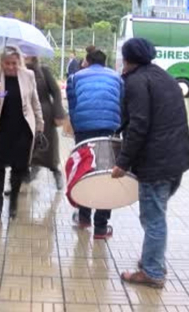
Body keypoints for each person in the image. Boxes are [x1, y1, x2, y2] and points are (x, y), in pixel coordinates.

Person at [112, 37, 189, 288]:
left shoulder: (137, 81)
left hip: (156, 162)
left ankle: (152, 272)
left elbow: (139, 124)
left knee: (153, 218)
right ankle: (153, 259)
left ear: (126, 59)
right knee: (156, 214)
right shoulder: (163, 77)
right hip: (177, 159)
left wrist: (122, 163)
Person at [0, 46, 44, 219]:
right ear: (1, 62)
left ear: (19, 62)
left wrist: (40, 125)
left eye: (14, 63)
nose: (10, 67)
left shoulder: (28, 76)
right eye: (7, 63)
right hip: (1, 128)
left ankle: (14, 200)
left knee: (19, 166)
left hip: (22, 128)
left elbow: (35, 102)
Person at [66, 47, 123, 239]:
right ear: (105, 62)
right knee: (107, 175)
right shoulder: (116, 77)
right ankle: (101, 227)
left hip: (84, 130)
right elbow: (121, 102)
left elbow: (72, 107)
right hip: (110, 130)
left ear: (87, 61)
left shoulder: (75, 77)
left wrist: (78, 127)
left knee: (85, 171)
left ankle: (83, 217)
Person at [22, 54, 67, 189]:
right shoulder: (18, 72)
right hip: (26, 114)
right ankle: (18, 182)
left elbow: (56, 92)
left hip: (45, 115)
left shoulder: (43, 70)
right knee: (24, 150)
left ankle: (56, 172)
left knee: (48, 148)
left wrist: (58, 112)